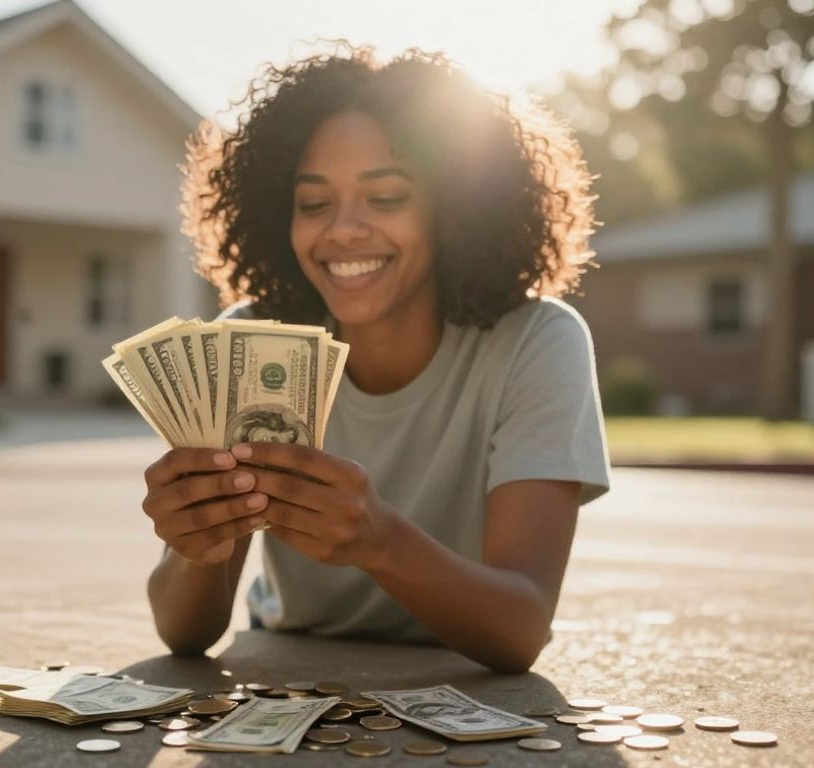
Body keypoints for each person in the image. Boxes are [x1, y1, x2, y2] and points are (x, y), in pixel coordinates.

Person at [141, 42, 610, 673]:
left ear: (454, 208)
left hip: (464, 685)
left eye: (385, 197)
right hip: (286, 670)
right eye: (313, 204)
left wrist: (379, 541)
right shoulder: (251, 337)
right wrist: (194, 548)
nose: (344, 230)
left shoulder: (537, 341)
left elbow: (521, 628)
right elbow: (184, 636)